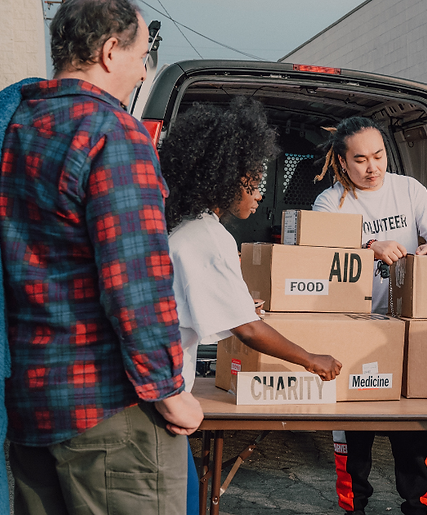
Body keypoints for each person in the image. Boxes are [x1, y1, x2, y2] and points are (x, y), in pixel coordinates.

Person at [0, 1, 204, 513]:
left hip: (27, 402)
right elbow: (134, 279)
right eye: (142, 55)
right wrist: (167, 387)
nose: (141, 70)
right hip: (108, 407)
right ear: (110, 51)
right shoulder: (113, 133)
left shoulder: (9, 127)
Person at [159, 98, 343, 515]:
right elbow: (247, 329)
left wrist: (242, 306)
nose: (260, 196)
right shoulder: (209, 236)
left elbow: (207, 306)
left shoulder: (185, 228)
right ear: (226, 180)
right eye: (255, 183)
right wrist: (311, 358)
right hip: (162, 399)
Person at [312, 116, 427, 515]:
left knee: (409, 431)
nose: (372, 167)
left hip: (407, 329)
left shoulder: (408, 189)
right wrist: (368, 245)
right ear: (342, 161)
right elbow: (321, 250)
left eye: (378, 156)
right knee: (355, 433)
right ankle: (353, 508)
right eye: (360, 159)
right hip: (352, 330)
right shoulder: (331, 201)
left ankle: (416, 507)